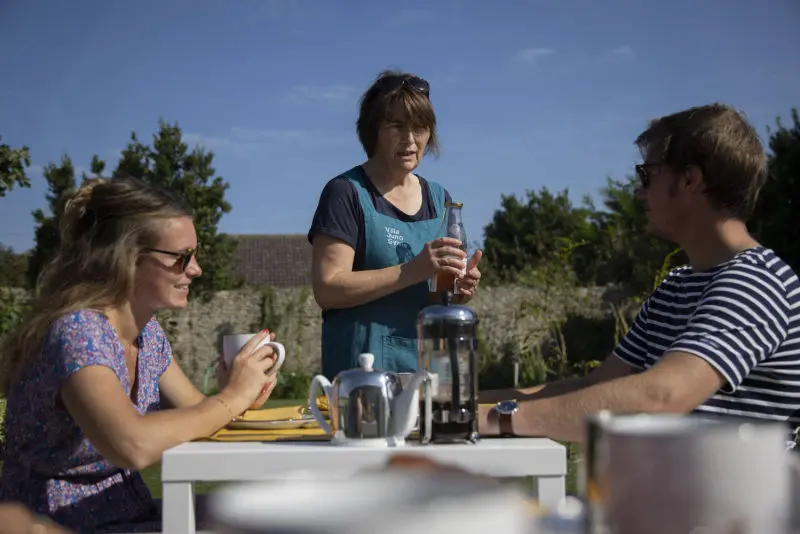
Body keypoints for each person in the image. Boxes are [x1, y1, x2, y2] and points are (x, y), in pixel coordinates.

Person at [480, 103, 800, 448]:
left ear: (690, 180)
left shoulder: (755, 283)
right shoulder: (677, 286)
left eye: (647, 175)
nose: (638, 192)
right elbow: (595, 389)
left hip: (726, 502)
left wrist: (492, 419)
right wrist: (454, 403)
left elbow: (662, 398)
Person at [0, 176, 282, 532]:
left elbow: (196, 416)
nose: (195, 269)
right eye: (181, 258)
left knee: (271, 513)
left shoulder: (148, 336)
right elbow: (131, 444)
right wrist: (229, 398)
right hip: (61, 524)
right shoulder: (77, 333)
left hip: (129, 514)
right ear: (127, 258)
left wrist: (239, 394)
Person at [308, 69, 483, 378]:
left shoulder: (441, 199)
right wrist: (410, 271)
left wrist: (460, 290)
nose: (411, 140)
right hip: (363, 379)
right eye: (397, 126)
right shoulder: (346, 193)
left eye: (420, 127)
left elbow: (437, 295)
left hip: (429, 373)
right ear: (374, 128)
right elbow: (328, 288)